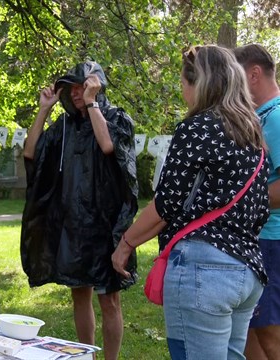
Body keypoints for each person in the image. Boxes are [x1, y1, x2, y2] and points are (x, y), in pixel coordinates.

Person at [112, 45, 270, 359]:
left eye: (183, 84)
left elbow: (166, 205)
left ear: (198, 84)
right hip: (248, 271)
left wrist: (125, 244)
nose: (182, 92)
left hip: (204, 271)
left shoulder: (197, 127)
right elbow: (260, 209)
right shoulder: (253, 134)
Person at [21, 61, 139, 360]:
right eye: (71, 88)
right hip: (72, 226)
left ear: (96, 85)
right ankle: (87, 355)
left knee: (109, 301)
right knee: (79, 294)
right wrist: (44, 110)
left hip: (106, 225)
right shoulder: (64, 127)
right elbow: (30, 152)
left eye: (82, 86)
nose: (76, 93)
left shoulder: (116, 117)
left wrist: (91, 104)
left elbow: (109, 145)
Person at [233, 44, 280, 360]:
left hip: (271, 242)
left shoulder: (276, 118)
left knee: (271, 333)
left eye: (236, 78)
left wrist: (236, 203)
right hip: (255, 241)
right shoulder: (260, 118)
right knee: (247, 330)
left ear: (254, 74)